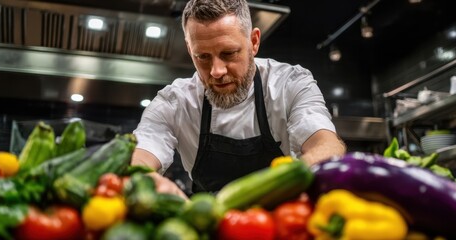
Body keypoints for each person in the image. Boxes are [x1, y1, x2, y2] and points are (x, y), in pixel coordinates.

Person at [131, 0, 346, 199]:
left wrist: (270, 189)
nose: (216, 71)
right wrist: (145, 180)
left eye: (229, 53)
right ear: (190, 50)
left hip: (281, 216)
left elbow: (326, 146)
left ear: (253, 42)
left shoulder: (290, 84)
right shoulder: (174, 102)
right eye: (202, 57)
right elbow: (141, 155)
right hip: (208, 223)